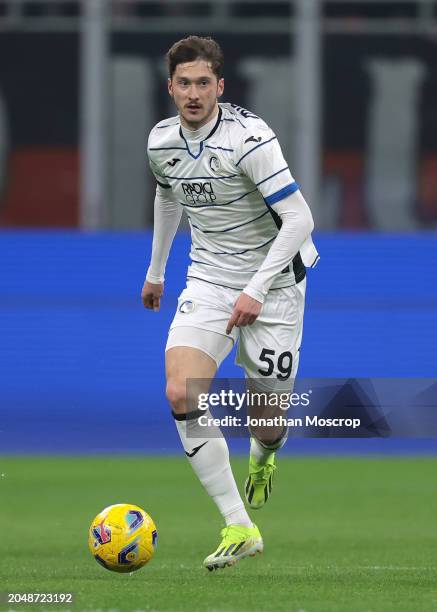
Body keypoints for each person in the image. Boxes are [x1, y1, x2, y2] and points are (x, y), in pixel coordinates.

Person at [142, 35, 319, 571]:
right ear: (170, 87)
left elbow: (301, 220)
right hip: (210, 280)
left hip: (276, 283)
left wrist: (257, 290)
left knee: (267, 423)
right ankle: (239, 524)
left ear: (220, 86)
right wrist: (156, 272)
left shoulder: (250, 139)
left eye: (203, 83)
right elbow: (168, 193)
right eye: (184, 84)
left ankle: (264, 455)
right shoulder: (160, 141)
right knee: (180, 390)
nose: (193, 94)